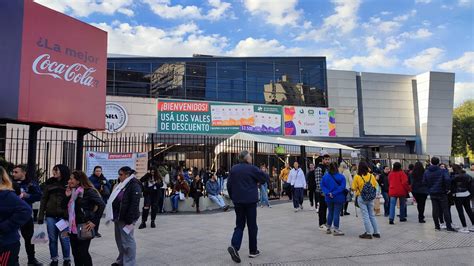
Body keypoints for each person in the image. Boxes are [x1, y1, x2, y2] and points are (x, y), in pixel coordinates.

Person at [227, 150, 268, 263]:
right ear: (246, 158)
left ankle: (234, 246)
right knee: (252, 225)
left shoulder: (234, 169)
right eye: (250, 155)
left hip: (238, 201)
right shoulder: (252, 168)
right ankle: (253, 251)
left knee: (239, 225)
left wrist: (233, 197)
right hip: (250, 201)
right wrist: (262, 174)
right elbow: (264, 179)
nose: (251, 157)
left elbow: (229, 185)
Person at [66, 170, 105, 266]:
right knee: (75, 253)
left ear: (78, 181)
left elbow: (102, 205)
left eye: (71, 179)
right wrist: (67, 196)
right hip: (72, 227)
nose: (69, 181)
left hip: (84, 225)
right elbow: (66, 208)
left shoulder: (89, 191)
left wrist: (94, 221)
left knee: (83, 253)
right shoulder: (73, 191)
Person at [106, 166, 142, 266]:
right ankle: (121, 260)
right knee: (120, 241)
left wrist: (130, 219)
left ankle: (129, 263)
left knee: (127, 242)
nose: (119, 176)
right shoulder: (122, 184)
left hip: (127, 218)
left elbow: (134, 203)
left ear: (127, 174)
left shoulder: (134, 184)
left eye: (121, 174)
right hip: (118, 216)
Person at [38, 164, 72, 266]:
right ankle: (54, 260)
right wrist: (40, 216)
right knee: (52, 239)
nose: (54, 172)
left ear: (62, 171)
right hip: (50, 216)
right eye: (53, 170)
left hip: (64, 217)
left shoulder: (69, 183)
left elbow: (72, 201)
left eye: (56, 171)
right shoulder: (49, 183)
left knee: (64, 239)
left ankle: (67, 260)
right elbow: (43, 200)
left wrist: (68, 215)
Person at [0, 166, 33, 266]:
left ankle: (32, 259)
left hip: (5, 243)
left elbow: (26, 210)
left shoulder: (5, 194)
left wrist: (4, 226)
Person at [11, 165, 43, 266]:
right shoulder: (10, 183)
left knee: (29, 239)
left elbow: (39, 196)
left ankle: (31, 260)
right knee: (13, 239)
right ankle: (14, 260)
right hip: (12, 215)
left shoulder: (31, 184)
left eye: (16, 172)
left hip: (26, 215)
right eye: (13, 172)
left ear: (23, 173)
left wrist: (27, 195)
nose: (13, 174)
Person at [423, 157, 456, 232]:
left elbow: (424, 182)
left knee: (435, 209)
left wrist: (429, 189)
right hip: (442, 192)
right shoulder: (442, 171)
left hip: (432, 192)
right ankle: (448, 227)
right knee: (445, 209)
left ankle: (437, 226)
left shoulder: (426, 172)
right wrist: (447, 189)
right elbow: (447, 179)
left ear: (431, 162)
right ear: (438, 163)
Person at [352, 161, 381, 239]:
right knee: (372, 215)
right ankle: (376, 232)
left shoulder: (357, 176)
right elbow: (375, 185)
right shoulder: (371, 176)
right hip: (370, 198)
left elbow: (353, 188)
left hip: (361, 197)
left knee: (365, 215)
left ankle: (368, 233)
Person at [321, 162, 346, 236]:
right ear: (337, 167)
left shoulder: (325, 176)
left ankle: (328, 227)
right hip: (338, 197)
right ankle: (336, 229)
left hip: (328, 197)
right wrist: (334, 193)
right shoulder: (341, 177)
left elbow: (322, 186)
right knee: (336, 213)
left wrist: (328, 193)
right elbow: (342, 187)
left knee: (330, 212)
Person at [88, 166, 111, 237]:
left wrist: (105, 183)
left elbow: (109, 186)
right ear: (94, 171)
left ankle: (96, 231)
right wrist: (99, 184)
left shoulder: (103, 178)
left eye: (99, 171)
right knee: (92, 216)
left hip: (102, 200)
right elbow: (90, 186)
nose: (98, 172)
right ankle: (90, 231)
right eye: (97, 171)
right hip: (94, 201)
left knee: (98, 217)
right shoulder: (91, 178)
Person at [451, 164, 474, 233]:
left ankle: (465, 227)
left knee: (460, 212)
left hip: (458, 195)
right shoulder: (467, 176)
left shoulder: (454, 177)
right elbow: (471, 185)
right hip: (466, 194)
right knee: (469, 210)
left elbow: (451, 186)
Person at [315, 154, 331, 230]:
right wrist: (323, 192)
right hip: (322, 193)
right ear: (322, 160)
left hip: (329, 192)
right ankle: (321, 224)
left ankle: (326, 222)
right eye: (326, 159)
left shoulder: (328, 168)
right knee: (322, 208)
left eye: (328, 159)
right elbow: (318, 182)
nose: (327, 161)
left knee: (328, 208)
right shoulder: (319, 168)